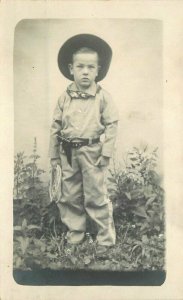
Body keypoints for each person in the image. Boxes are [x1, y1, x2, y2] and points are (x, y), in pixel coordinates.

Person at [49, 34, 118, 256]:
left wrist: (106, 153)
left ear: (98, 70)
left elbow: (112, 125)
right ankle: (75, 234)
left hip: (92, 153)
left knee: (96, 195)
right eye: (80, 66)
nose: (85, 71)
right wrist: (54, 156)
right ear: (71, 69)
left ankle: (105, 240)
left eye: (90, 67)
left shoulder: (102, 97)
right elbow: (55, 127)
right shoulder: (64, 98)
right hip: (68, 153)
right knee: (68, 195)